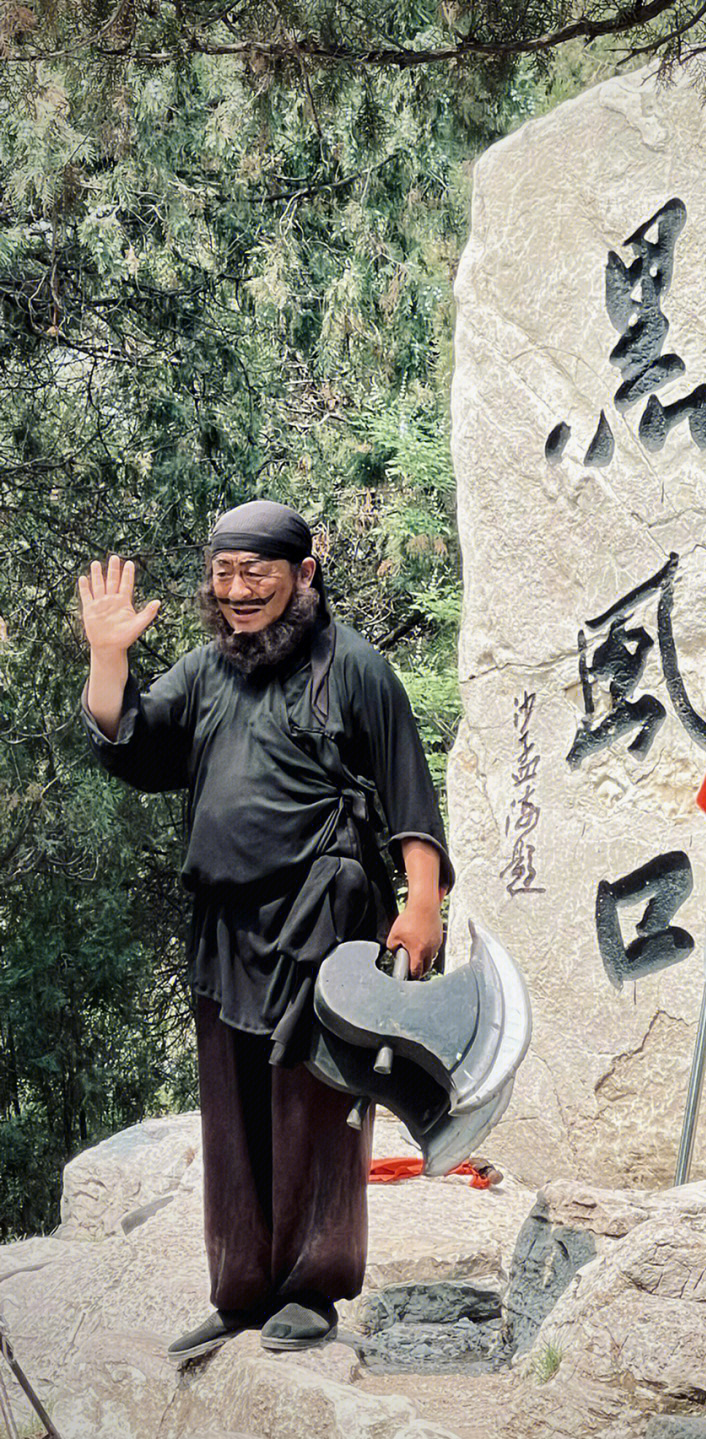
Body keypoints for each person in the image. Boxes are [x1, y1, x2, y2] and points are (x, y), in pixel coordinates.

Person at [79, 500, 453, 1361]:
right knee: (232, 1104)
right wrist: (108, 656)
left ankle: (313, 1287)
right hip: (225, 927)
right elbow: (132, 745)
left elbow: (407, 787)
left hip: (323, 919)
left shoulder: (354, 667)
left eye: (259, 573)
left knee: (314, 1100)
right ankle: (241, 1286)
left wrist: (422, 898)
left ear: (304, 575)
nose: (239, 591)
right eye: (225, 573)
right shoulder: (207, 671)